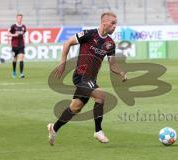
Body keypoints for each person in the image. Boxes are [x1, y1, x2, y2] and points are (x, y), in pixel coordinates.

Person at [47, 11, 127, 145]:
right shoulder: (89, 34)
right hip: (81, 76)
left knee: (75, 107)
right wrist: (63, 63)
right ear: (104, 23)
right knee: (101, 96)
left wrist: (121, 72)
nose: (115, 26)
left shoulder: (110, 43)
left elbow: (113, 65)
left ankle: (54, 128)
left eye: (116, 24)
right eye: (113, 23)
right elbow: (67, 43)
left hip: (91, 79)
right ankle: (98, 130)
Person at [8, 13, 26, 78]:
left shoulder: (23, 26)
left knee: (21, 58)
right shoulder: (13, 26)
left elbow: (24, 34)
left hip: (21, 45)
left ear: (22, 19)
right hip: (14, 45)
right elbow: (8, 34)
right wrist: (14, 35)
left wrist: (23, 36)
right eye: (18, 18)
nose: (19, 19)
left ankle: (21, 73)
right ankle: (14, 71)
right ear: (16, 18)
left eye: (20, 18)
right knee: (14, 59)